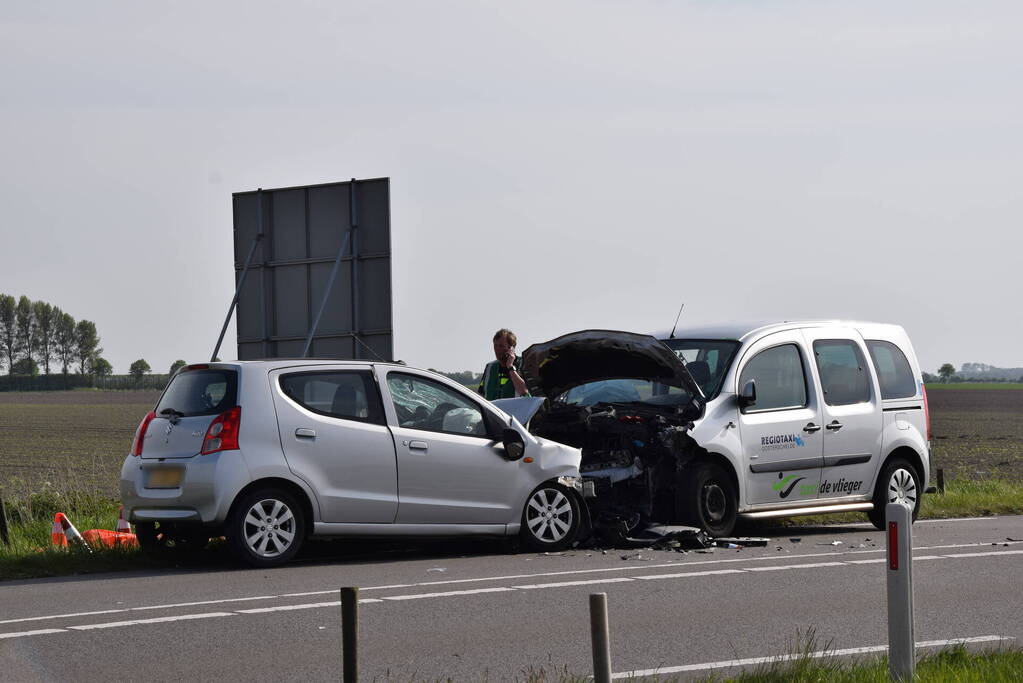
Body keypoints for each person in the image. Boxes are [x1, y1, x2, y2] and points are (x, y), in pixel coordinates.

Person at [478, 328, 529, 400]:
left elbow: (524, 391)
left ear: (511, 348)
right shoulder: (490, 367)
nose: (497, 349)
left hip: (515, 410)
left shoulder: (523, 364)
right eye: (495, 345)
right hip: (492, 411)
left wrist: (510, 367)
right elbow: (481, 394)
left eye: (501, 346)